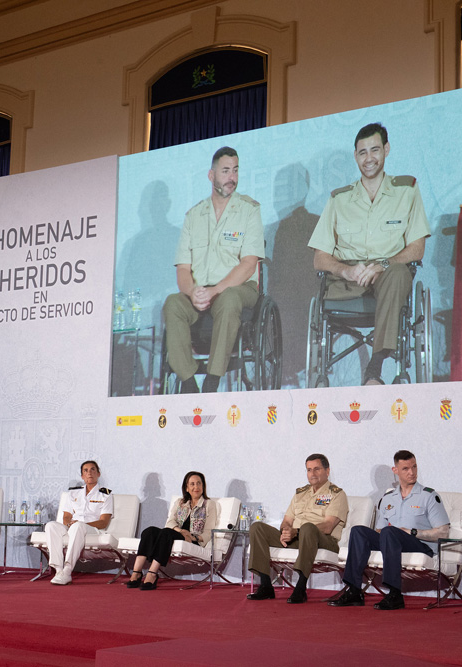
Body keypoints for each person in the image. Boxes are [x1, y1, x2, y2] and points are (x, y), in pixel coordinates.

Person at [307, 122, 430, 385]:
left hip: (388, 277)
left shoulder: (406, 190)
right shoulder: (339, 199)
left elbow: (417, 248)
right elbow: (320, 257)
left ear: (386, 149)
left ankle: (375, 367)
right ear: (355, 156)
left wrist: (383, 264)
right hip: (347, 283)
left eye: (375, 150)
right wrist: (347, 270)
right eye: (362, 152)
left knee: (398, 274)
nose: (369, 158)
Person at [162, 146, 266, 394]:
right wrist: (193, 292)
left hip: (238, 289)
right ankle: (189, 383)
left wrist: (215, 290)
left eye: (235, 171)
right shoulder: (194, 216)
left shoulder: (249, 210)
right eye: (225, 171)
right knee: (172, 303)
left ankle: (212, 380)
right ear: (211, 175)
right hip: (201, 293)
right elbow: (183, 269)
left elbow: (249, 264)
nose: (232, 177)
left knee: (229, 299)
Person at [328, 450, 449, 610]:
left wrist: (413, 532)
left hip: (420, 545)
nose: (412, 472)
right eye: (406, 468)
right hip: (391, 541)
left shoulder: (428, 496)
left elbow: (443, 532)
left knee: (389, 532)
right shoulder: (388, 498)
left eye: (414, 467)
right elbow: (380, 531)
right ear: (395, 470)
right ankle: (354, 591)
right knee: (358, 531)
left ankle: (395, 594)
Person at [247, 453, 349, 603]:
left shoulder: (337, 494)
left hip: (324, 541)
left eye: (317, 469)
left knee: (308, 527)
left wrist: (297, 531)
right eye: (309, 470)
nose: (312, 474)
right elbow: (287, 521)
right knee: (257, 527)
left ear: (327, 471)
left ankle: (301, 588)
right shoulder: (300, 493)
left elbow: (328, 526)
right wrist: (286, 531)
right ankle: (266, 585)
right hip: (297, 538)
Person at [125, 471, 218, 590]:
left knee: (166, 533)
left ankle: (152, 574)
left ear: (203, 486)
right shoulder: (180, 502)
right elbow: (170, 522)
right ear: (186, 488)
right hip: (177, 534)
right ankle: (137, 572)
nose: (196, 487)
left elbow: (209, 532)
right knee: (149, 531)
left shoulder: (209, 504)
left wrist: (192, 537)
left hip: (193, 540)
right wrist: (181, 531)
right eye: (192, 484)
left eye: (199, 483)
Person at [44, 460, 113, 585]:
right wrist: (69, 523)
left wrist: (81, 524)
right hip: (73, 527)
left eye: (92, 469)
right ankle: (59, 570)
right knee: (51, 526)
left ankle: (67, 570)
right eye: (85, 471)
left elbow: (103, 522)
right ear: (82, 476)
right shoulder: (73, 493)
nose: (89, 473)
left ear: (98, 474)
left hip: (92, 529)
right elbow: (66, 516)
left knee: (78, 526)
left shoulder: (106, 495)